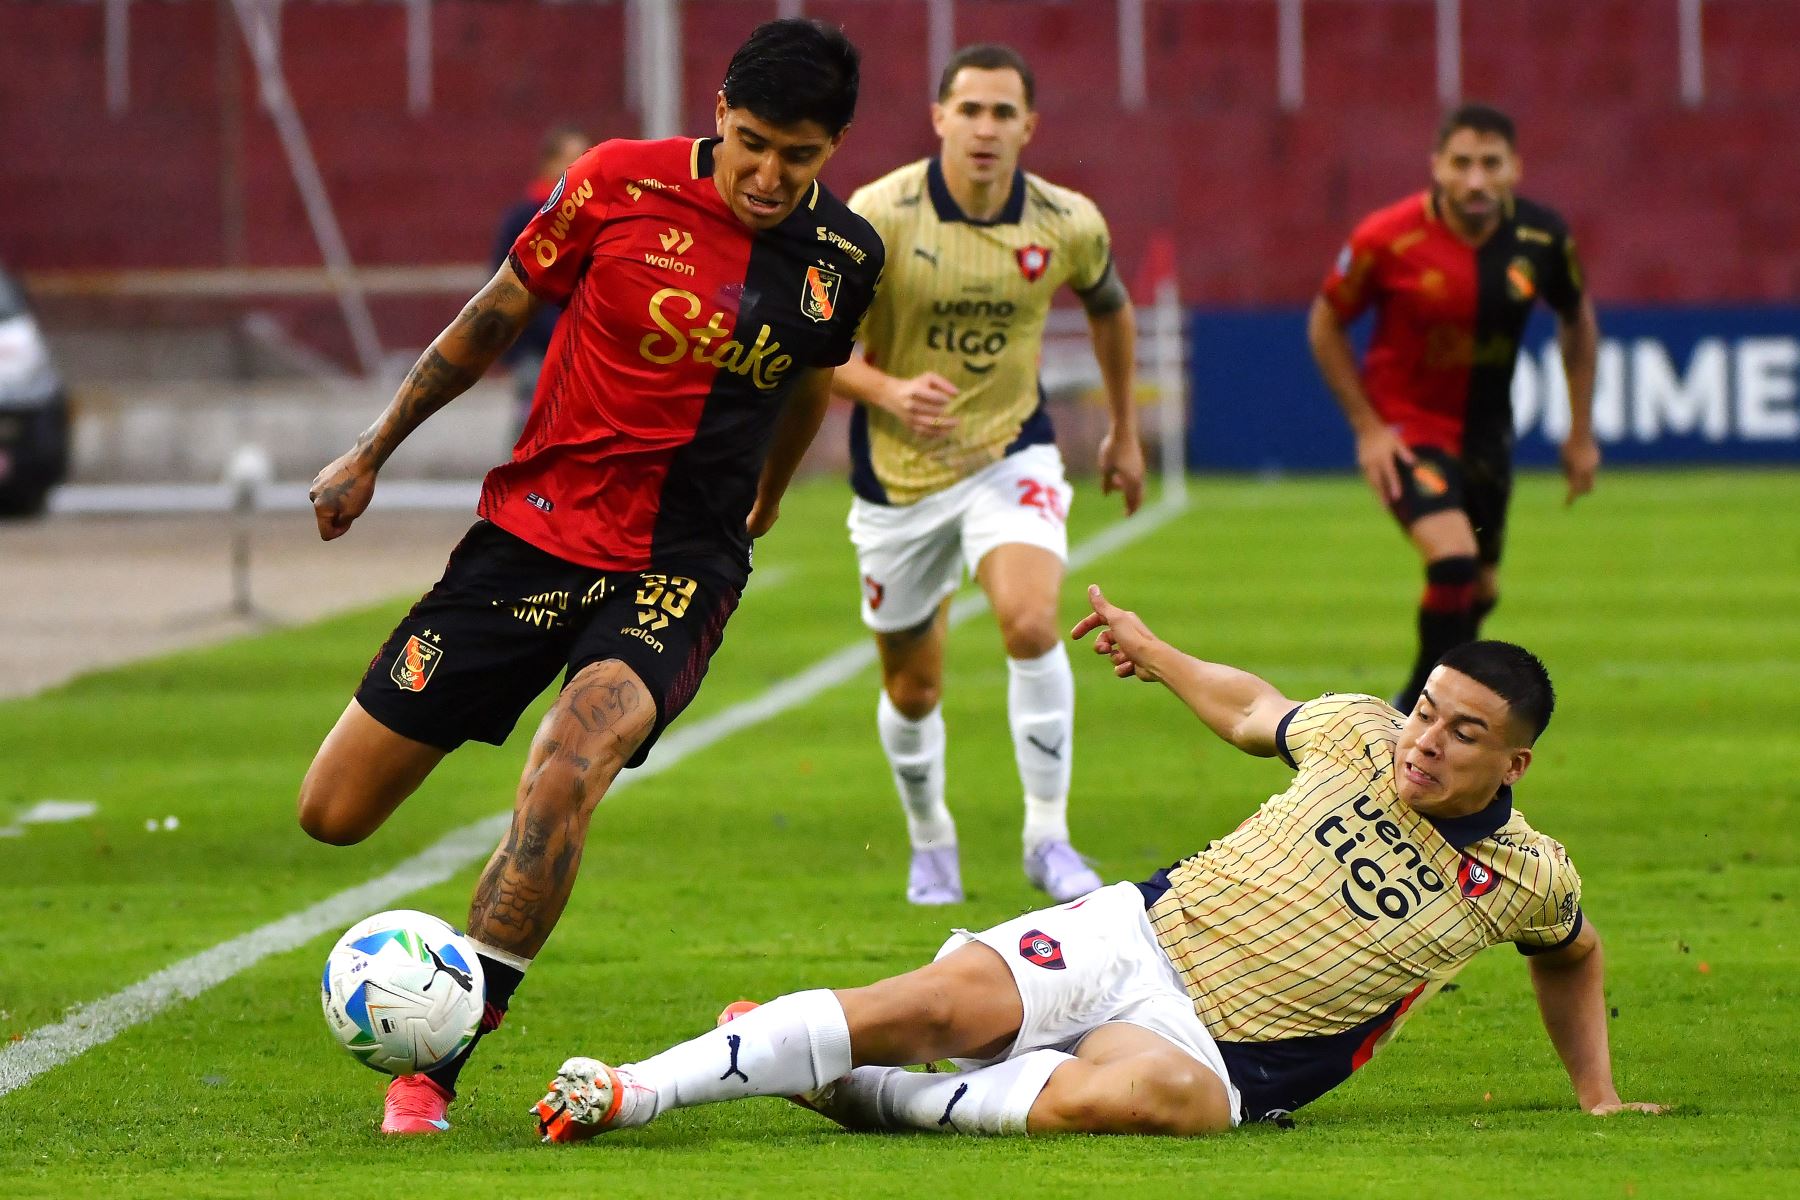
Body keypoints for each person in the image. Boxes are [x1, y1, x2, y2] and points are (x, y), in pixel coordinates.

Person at [296, 18, 882, 1136]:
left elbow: (812, 380)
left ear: (833, 149)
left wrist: (770, 490)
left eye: (797, 157)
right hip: (531, 536)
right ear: (718, 112)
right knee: (333, 812)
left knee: (570, 762)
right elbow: (493, 316)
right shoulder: (613, 183)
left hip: (678, 561)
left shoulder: (842, 259)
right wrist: (372, 451)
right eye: (752, 142)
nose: (768, 175)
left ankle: (439, 1062)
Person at [529, 585, 1664, 1141]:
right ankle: (635, 1089)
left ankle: (850, 1088)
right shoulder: (1360, 730)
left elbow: (1573, 954)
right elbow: (1255, 709)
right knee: (935, 1006)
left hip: (1222, 1057)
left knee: (1166, 1105)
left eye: (1463, 733)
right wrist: (1156, 650)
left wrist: (1598, 1096)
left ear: (1513, 763)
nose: (1425, 738)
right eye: (1428, 711)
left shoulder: (1528, 878)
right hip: (1138, 931)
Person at [832, 44, 1145, 906]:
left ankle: (1049, 837)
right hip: (897, 480)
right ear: (938, 117)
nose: (985, 127)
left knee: (1031, 622)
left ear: (1029, 128)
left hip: (1012, 452)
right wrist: (887, 386)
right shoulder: (878, 215)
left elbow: (1112, 306)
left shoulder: (1065, 220)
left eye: (1004, 113)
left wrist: (1123, 428)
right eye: (969, 109)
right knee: (913, 683)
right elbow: (814, 349)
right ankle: (932, 841)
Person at [1308, 103, 1601, 713]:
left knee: (1480, 587)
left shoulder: (1543, 238)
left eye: (1490, 164)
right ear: (1436, 167)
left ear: (1515, 168)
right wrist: (1368, 428)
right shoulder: (1386, 238)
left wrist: (1580, 431)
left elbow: (1576, 317)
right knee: (1453, 558)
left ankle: (1447, 716)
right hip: (1407, 426)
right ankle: (1410, 714)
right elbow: (1326, 321)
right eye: (1461, 163)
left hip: (1488, 435)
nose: (1475, 180)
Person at [492, 125, 591, 433]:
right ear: (550, 163)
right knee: (532, 422)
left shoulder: (591, 215)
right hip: (535, 346)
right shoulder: (524, 217)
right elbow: (507, 284)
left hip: (581, 344)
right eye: (573, 159)